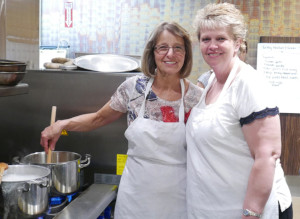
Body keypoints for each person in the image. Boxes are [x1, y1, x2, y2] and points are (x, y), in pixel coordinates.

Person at [40, 21, 202, 219]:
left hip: (178, 198)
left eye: (178, 48)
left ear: (186, 55)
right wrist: (62, 124)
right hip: (135, 195)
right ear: (152, 53)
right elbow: (98, 118)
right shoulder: (133, 88)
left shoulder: (196, 97)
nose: (170, 54)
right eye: (163, 47)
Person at [186, 3, 292, 219]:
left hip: (246, 210)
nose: (212, 45)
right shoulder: (210, 82)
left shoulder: (248, 83)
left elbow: (267, 155)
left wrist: (250, 213)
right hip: (214, 206)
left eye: (221, 39)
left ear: (237, 43)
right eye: (206, 39)